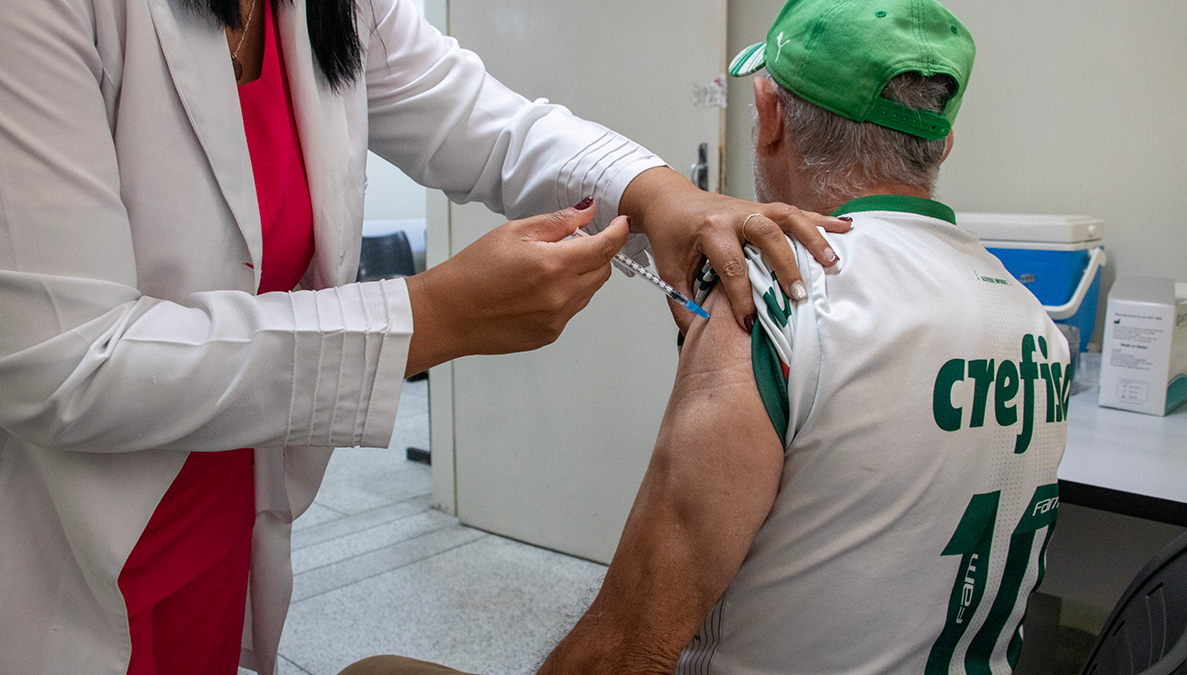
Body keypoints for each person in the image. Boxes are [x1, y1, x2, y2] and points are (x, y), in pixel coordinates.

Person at [0, 0, 851, 673]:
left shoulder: (330, 11)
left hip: (220, 496)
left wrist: (656, 191)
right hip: (52, 526)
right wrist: (428, 317)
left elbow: (485, 122)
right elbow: (64, 359)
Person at [344, 0, 1073, 673]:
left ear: (769, 116)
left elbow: (624, 651)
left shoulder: (778, 301)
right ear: (944, 141)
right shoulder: (1036, 324)